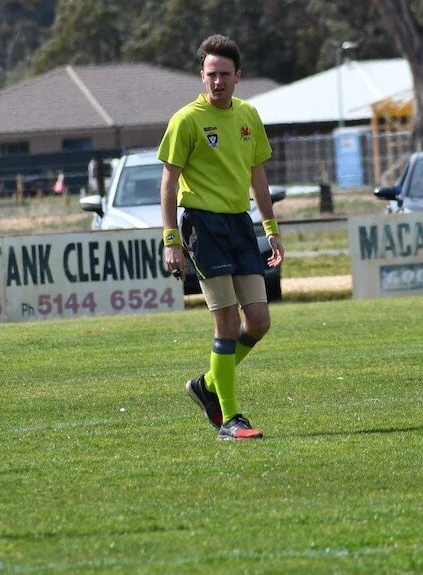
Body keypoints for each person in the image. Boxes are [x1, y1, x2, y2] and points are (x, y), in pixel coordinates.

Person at [158, 35, 284, 442]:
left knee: (260, 321)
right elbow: (168, 181)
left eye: (224, 75)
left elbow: (258, 177)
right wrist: (170, 240)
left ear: (238, 77)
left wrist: (271, 228)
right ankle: (230, 419)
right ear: (202, 75)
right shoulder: (186, 120)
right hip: (202, 226)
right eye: (211, 74)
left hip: (239, 225)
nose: (217, 82)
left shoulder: (248, 115)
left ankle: (208, 383)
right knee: (227, 323)